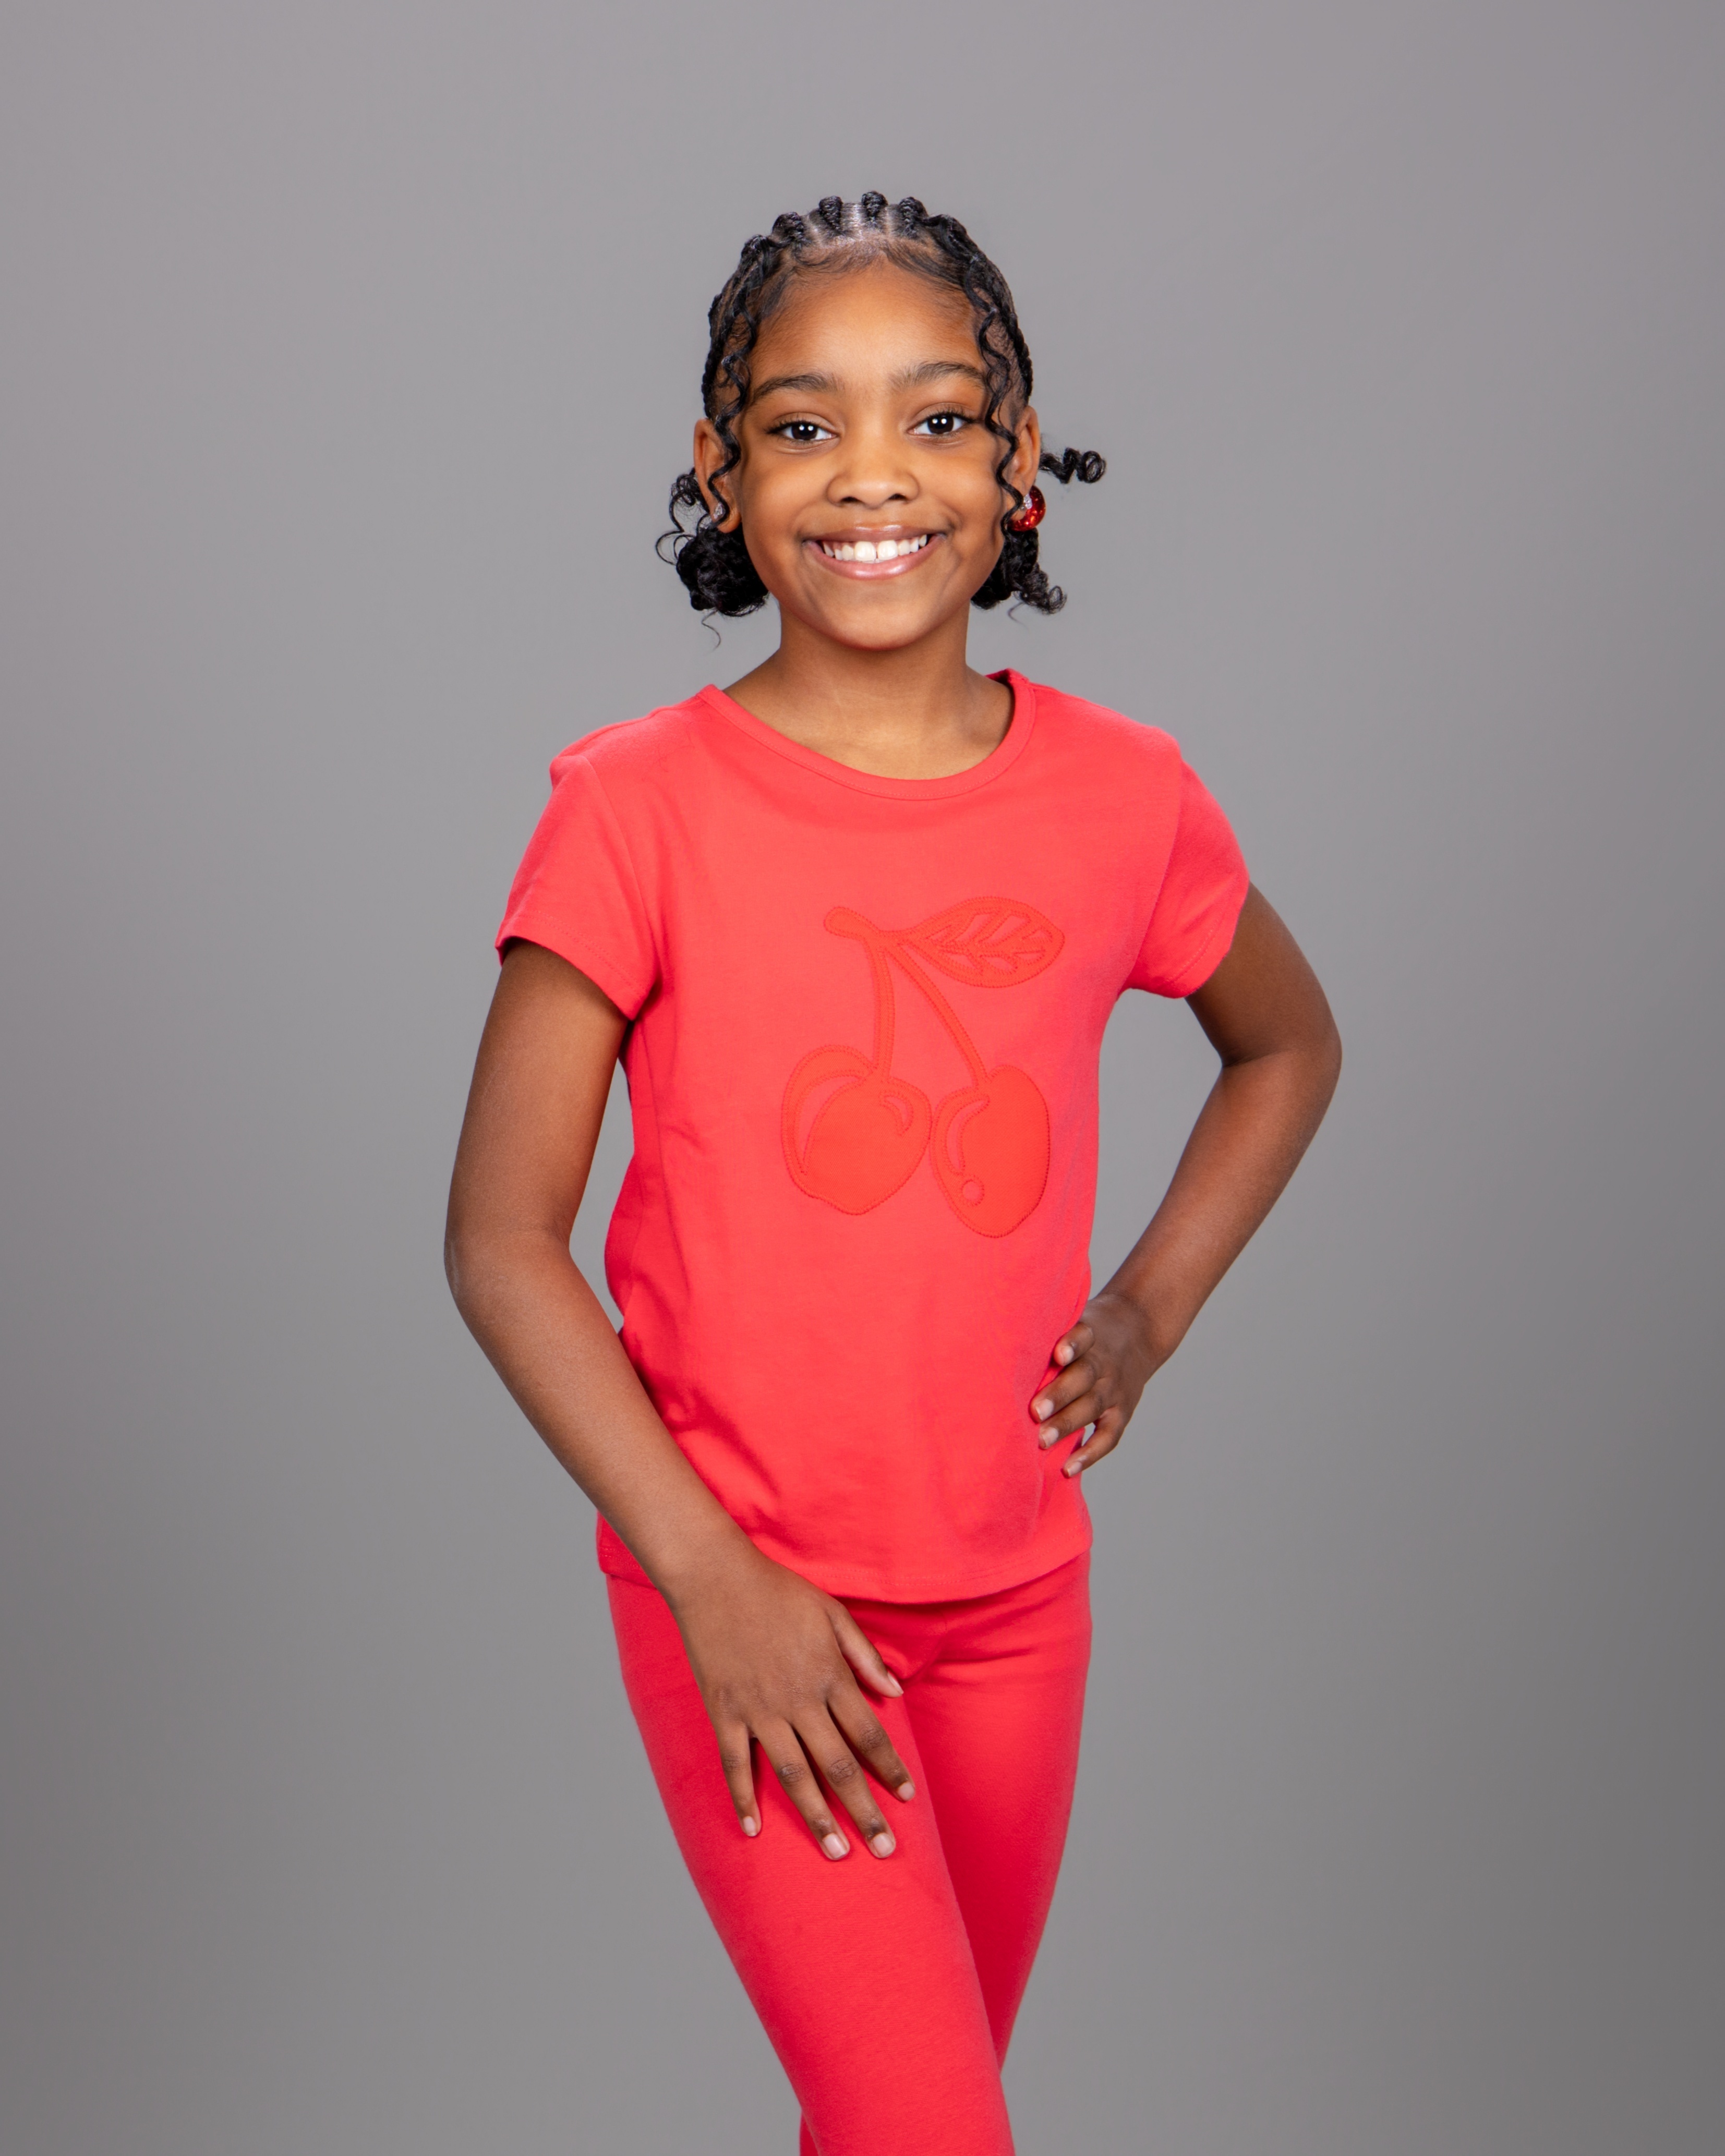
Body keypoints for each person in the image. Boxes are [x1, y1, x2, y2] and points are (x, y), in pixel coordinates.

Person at [445, 192, 1341, 2155]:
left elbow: (1286, 1044)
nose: (872, 474)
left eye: (937, 419)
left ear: (1019, 465)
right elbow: (500, 1241)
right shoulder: (635, 809)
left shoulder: (1124, 793)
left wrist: (1147, 1308)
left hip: (1016, 1598)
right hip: (749, 1597)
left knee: (907, 2124)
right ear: (720, 470)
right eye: (802, 425)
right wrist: (712, 1579)